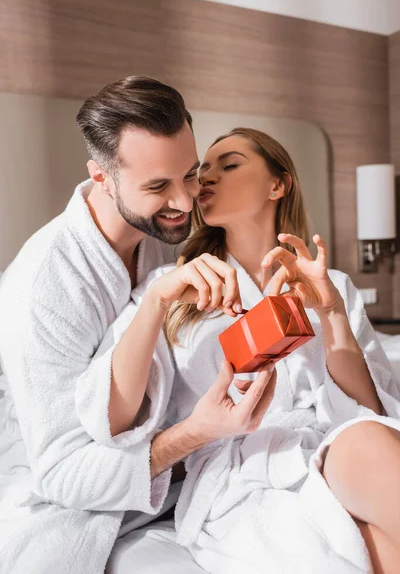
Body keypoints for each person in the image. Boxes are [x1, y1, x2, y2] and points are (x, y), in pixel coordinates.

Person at [0, 79, 271, 574]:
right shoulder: (43, 286)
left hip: (184, 468)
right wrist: (191, 435)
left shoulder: (166, 235)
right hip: (63, 479)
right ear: (101, 177)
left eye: (189, 176)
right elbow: (61, 475)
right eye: (157, 187)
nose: (186, 204)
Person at [103, 128, 400, 573]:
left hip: (333, 446)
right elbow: (117, 416)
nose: (206, 179)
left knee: (368, 436)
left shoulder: (331, 283)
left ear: (278, 185)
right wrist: (156, 303)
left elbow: (368, 407)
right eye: (202, 171)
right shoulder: (175, 290)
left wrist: (331, 310)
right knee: (379, 550)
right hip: (242, 469)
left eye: (230, 165)